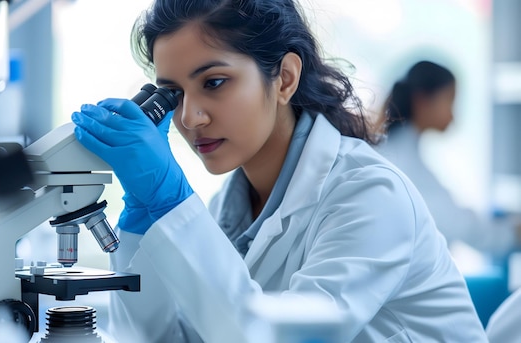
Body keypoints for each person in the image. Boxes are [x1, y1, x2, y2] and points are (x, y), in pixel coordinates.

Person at [70, 1, 487, 342]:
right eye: (174, 94)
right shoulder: (230, 212)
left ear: (285, 78)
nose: (190, 117)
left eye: (214, 82)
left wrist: (173, 202)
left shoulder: (370, 194)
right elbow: (169, 339)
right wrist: (145, 226)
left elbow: (273, 336)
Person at [375, 61, 493, 251]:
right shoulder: (400, 160)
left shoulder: (398, 149)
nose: (453, 116)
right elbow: (457, 224)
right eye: (450, 101)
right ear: (422, 101)